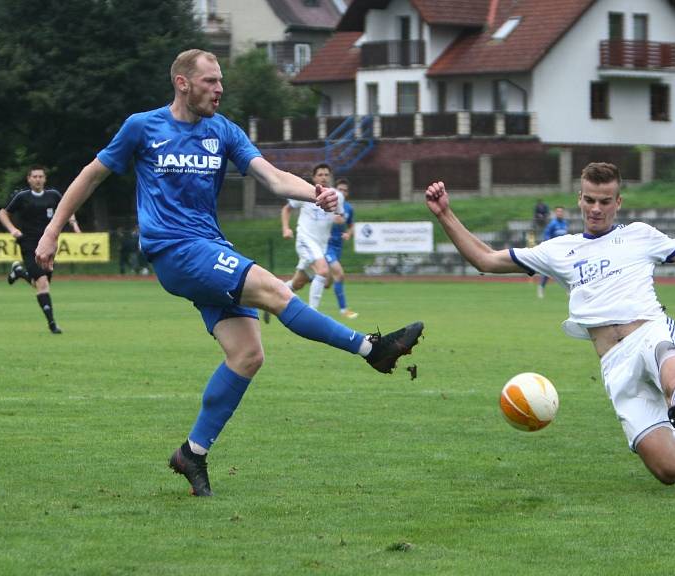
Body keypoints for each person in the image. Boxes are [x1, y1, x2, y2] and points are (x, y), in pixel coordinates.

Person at [35, 49, 423, 497]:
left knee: (247, 355)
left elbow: (274, 178)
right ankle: (371, 349)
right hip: (173, 250)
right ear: (182, 83)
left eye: (220, 82)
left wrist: (315, 192)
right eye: (210, 82)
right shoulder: (143, 127)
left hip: (210, 248)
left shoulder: (223, 131)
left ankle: (192, 453)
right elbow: (90, 176)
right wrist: (51, 232)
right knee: (275, 291)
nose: (219, 90)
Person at [425, 162, 675, 485]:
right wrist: (445, 214)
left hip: (650, 330)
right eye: (589, 199)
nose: (596, 208)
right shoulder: (559, 250)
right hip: (615, 364)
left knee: (674, 371)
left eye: (605, 201)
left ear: (617, 202)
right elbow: (485, 260)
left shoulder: (640, 235)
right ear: (579, 199)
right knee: (669, 472)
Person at [0, 165, 82, 334]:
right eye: (34, 176)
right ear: (29, 179)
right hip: (28, 243)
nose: (37, 179)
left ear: (45, 179)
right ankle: (52, 325)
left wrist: (74, 224)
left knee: (40, 284)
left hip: (49, 243)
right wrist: (13, 230)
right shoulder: (23, 197)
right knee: (42, 284)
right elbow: (2, 213)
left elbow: (67, 209)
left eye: (40, 176)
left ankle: (19, 272)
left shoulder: (53, 196)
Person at [279, 163, 343, 312]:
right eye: (320, 174)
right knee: (322, 271)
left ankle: (272, 298)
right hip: (305, 240)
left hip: (321, 246)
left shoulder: (336, 196)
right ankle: (313, 314)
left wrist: (340, 219)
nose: (324, 177)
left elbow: (340, 216)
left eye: (326, 174)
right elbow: (286, 209)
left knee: (298, 284)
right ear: (314, 177)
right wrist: (286, 228)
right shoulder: (306, 193)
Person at [325, 177, 359, 319]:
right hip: (326, 246)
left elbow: (351, 225)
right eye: (340, 189)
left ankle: (293, 284)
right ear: (335, 190)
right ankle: (344, 310)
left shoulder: (349, 208)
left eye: (345, 190)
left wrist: (348, 233)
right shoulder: (328, 205)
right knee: (339, 274)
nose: (342, 192)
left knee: (326, 283)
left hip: (338, 247)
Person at [536, 206, 569, 299]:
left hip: (563, 251)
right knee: (548, 270)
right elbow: (546, 235)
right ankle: (541, 287)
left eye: (561, 212)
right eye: (558, 212)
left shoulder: (565, 223)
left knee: (566, 269)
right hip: (554, 251)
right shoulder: (552, 224)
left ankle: (568, 289)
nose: (560, 213)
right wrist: (550, 246)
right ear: (555, 213)